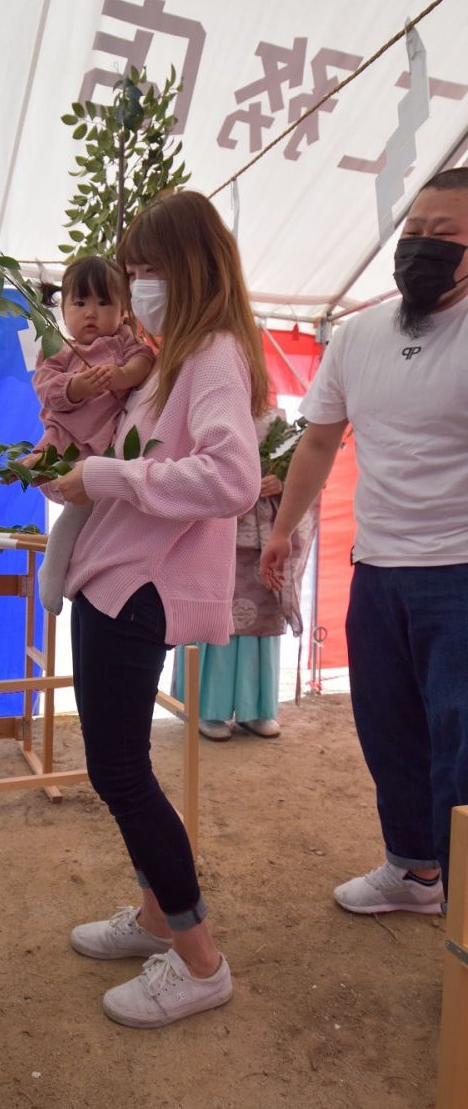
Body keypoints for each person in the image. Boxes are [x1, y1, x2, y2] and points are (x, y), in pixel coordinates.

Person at [50, 190, 267, 1028]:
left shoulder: (210, 353)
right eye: (130, 270)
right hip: (114, 578)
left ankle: (199, 958)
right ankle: (153, 918)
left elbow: (232, 478)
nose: (135, 286)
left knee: (121, 774)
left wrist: (105, 477)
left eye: (145, 270)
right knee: (123, 770)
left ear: (186, 268)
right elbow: (146, 462)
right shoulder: (172, 356)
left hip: (135, 589)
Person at [260, 167, 468, 915]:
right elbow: (318, 443)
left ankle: (465, 912)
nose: (421, 246)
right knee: (387, 727)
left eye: (443, 235)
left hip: (460, 574)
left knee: (462, 747)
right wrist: (284, 531)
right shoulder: (358, 335)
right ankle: (413, 872)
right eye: (413, 231)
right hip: (378, 569)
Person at [31, 255, 155, 614]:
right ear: (64, 307)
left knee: (84, 512)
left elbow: (144, 360)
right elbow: (46, 388)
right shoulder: (57, 348)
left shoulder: (122, 342)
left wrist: (122, 375)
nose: (91, 313)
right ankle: (53, 570)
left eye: (104, 303)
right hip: (66, 437)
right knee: (68, 498)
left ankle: (66, 569)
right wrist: (76, 387)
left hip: (103, 447)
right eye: (80, 303)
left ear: (123, 310)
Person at [173, 406, 287, 742]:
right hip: (215, 529)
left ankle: (256, 709)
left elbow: (309, 475)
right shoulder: (205, 411)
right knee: (213, 617)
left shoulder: (277, 420)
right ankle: (207, 708)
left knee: (261, 620)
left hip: (261, 535)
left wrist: (282, 482)